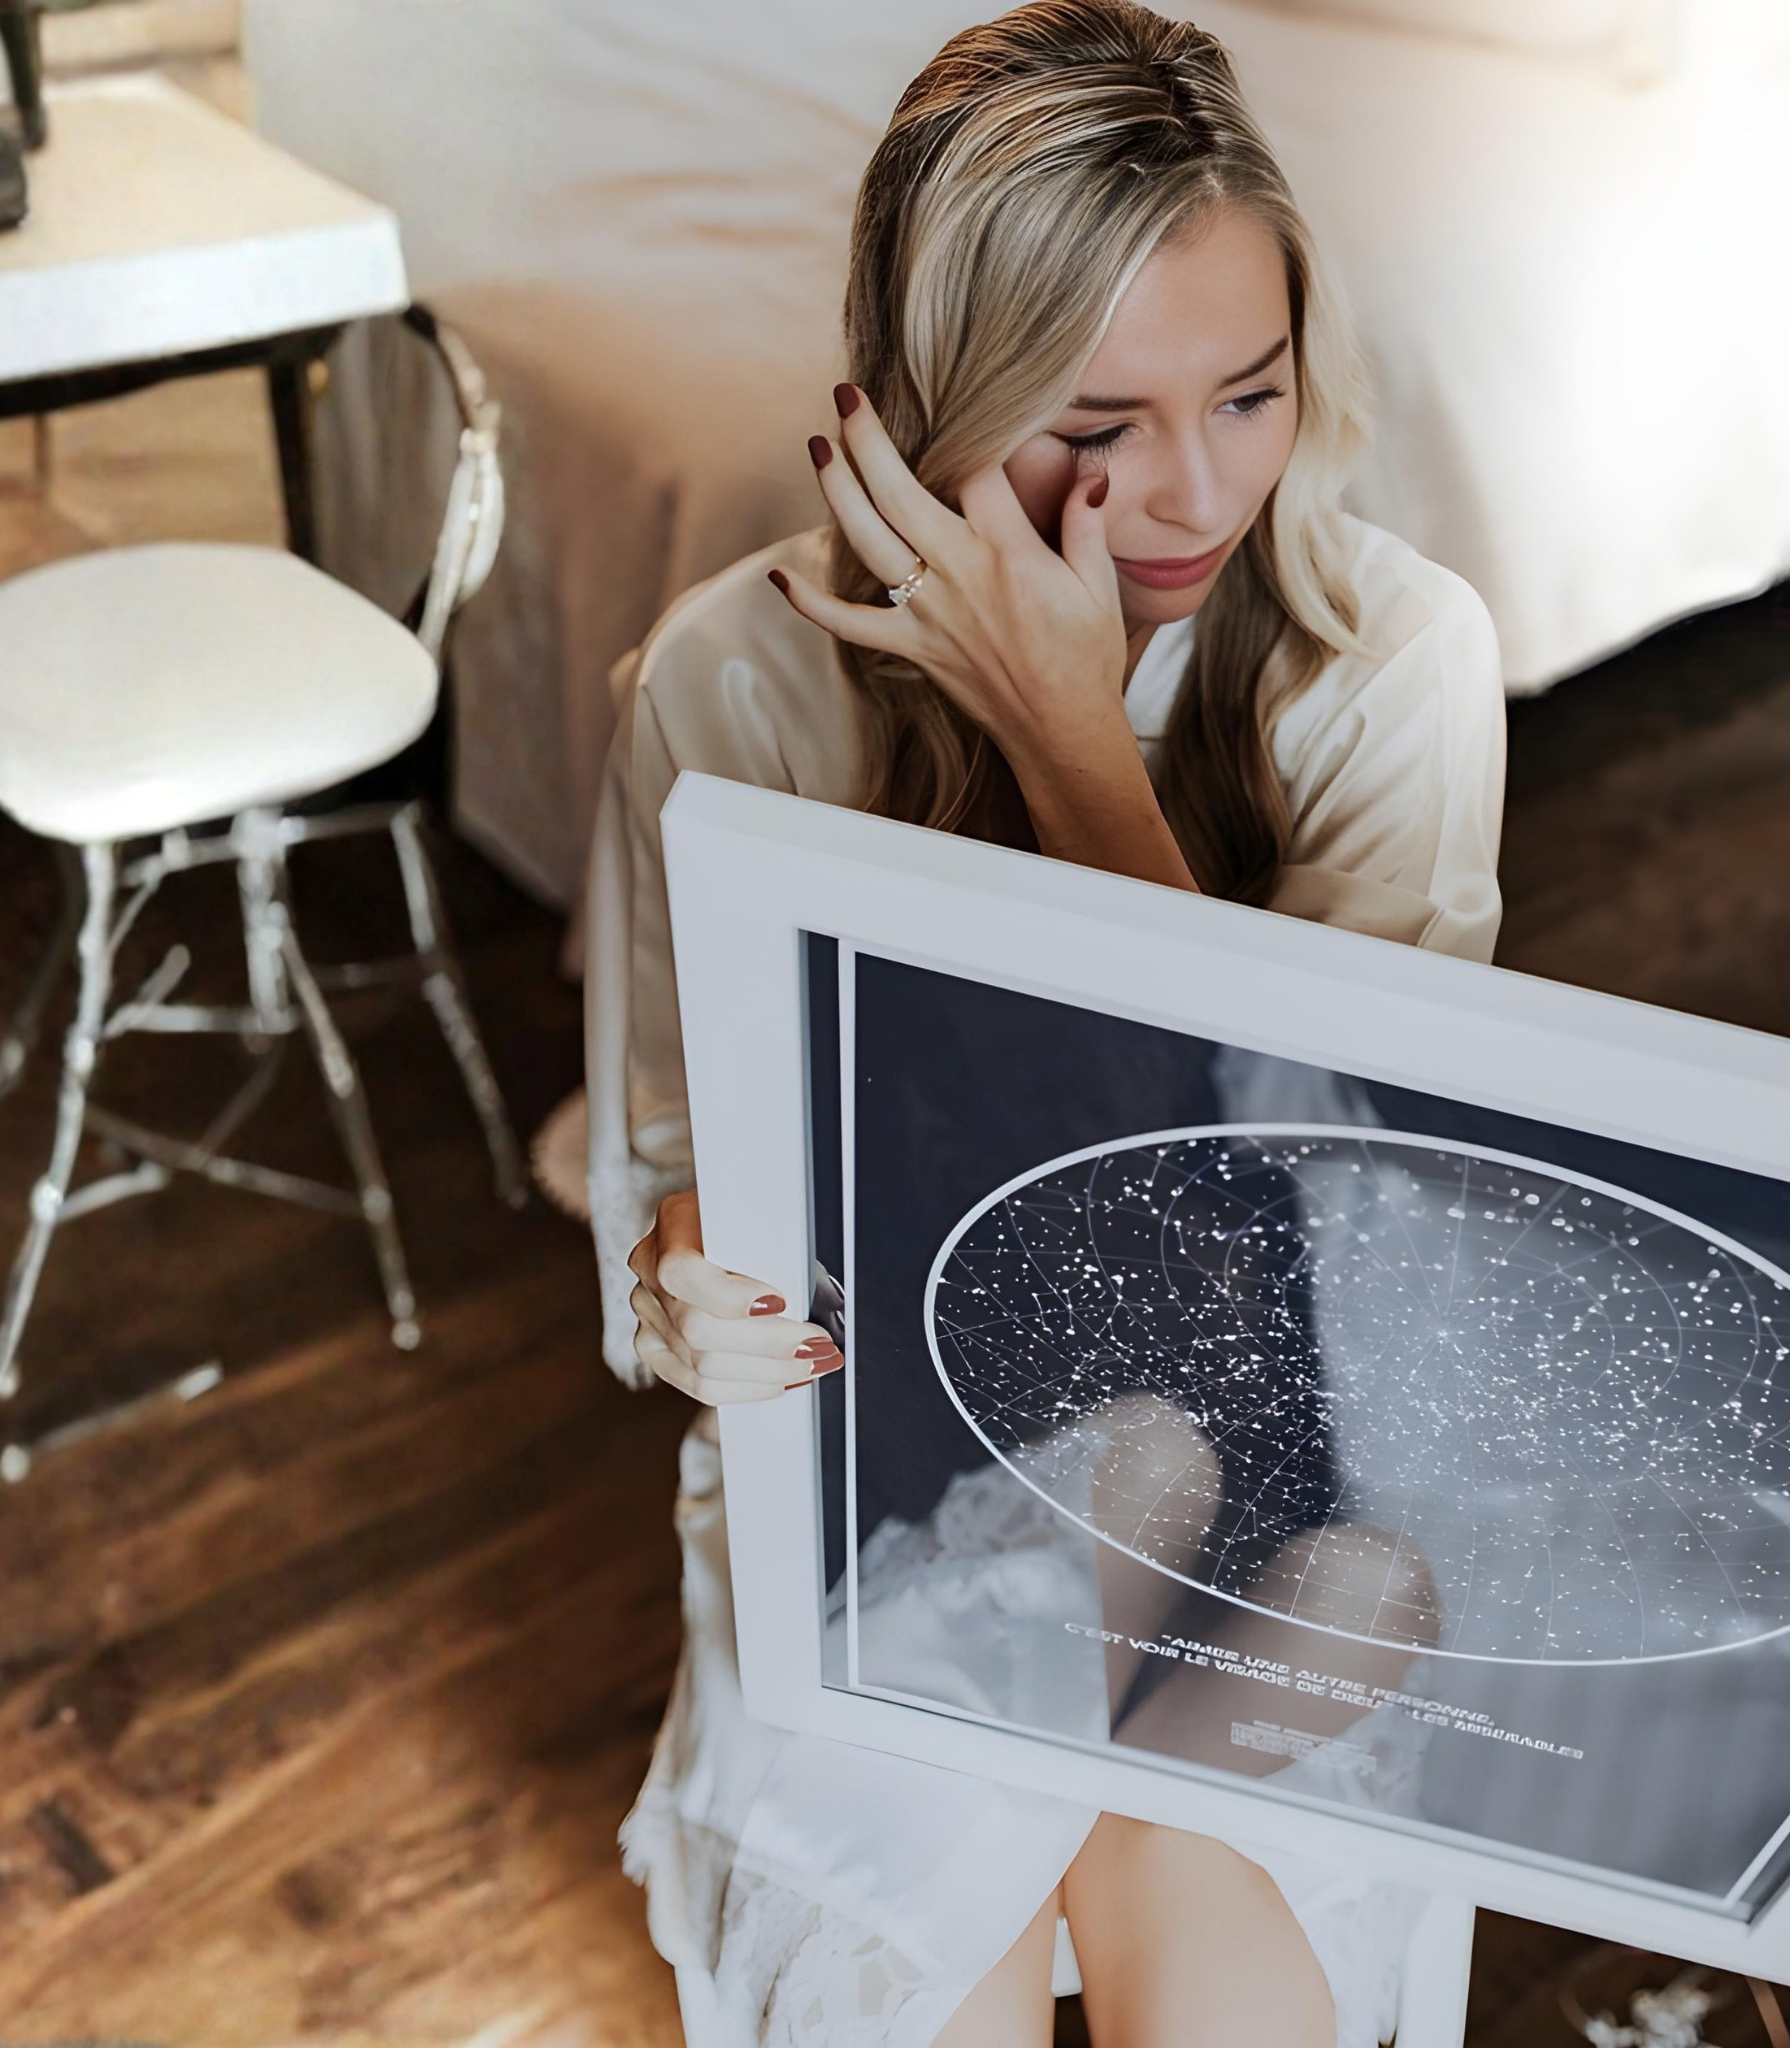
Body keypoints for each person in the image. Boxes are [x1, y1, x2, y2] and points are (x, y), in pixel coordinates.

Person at [583, 3, 1506, 2041]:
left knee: (1243, 1717)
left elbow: (1341, 1189)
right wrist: (680, 1288)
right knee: (942, 1929)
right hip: (883, 1481)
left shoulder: (1392, 666)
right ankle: (1046, 1778)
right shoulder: (732, 686)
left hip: (1290, 1443)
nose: (1188, 491)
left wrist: (1076, 750)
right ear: (926, 402)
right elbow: (660, 1196)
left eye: (1248, 395)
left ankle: (1084, 1783)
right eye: (1090, 422)